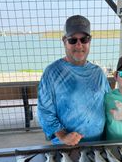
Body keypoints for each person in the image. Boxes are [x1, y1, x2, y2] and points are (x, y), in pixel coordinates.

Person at [38, 15, 110, 145]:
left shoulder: (98, 72)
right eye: (72, 40)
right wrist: (63, 136)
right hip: (67, 147)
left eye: (84, 39)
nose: (79, 45)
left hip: (98, 144)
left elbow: (109, 103)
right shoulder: (52, 73)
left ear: (90, 41)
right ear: (64, 41)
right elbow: (45, 112)